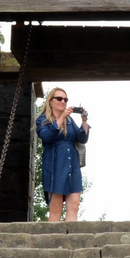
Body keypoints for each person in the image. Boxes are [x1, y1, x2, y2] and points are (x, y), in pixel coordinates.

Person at [37, 87, 88, 223]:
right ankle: (52, 242)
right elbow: (46, 136)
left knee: (74, 206)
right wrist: (62, 118)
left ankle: (71, 241)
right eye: (59, 98)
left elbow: (82, 139)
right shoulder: (43, 119)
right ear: (50, 102)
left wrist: (84, 121)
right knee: (56, 209)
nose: (63, 101)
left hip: (72, 167)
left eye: (65, 99)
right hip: (55, 167)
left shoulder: (70, 121)